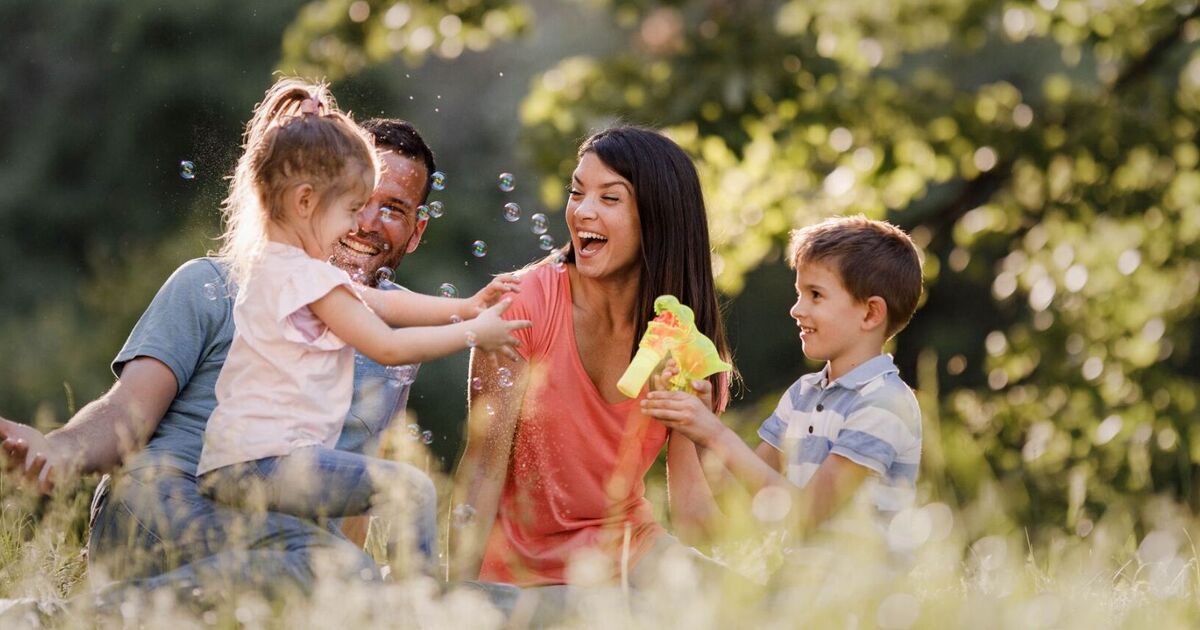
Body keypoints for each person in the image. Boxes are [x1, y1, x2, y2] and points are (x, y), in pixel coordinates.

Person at [0, 82, 457, 600]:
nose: (365, 224)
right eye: (358, 202)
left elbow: (349, 492)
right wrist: (57, 448)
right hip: (167, 501)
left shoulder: (394, 340)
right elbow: (124, 412)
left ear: (416, 232)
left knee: (348, 575)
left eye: (392, 210)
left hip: (282, 548)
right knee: (343, 573)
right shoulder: (215, 284)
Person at [190, 80, 528, 579]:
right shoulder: (307, 279)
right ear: (307, 203)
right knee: (409, 491)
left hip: (241, 462)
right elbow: (386, 344)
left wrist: (469, 306)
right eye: (352, 208)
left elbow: (382, 304)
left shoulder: (279, 265)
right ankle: (419, 610)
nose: (360, 225)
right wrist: (477, 332)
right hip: (261, 463)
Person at [450, 126, 733, 592]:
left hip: (631, 551)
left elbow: (692, 513)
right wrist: (454, 601)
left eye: (609, 198)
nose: (582, 211)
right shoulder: (522, 307)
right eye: (577, 192)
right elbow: (482, 468)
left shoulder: (682, 342)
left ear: (657, 218)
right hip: (521, 574)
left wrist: (783, 545)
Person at [641, 215, 924, 542]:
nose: (796, 309)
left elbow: (805, 514)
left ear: (871, 313)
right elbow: (742, 502)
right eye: (799, 293)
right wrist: (698, 428)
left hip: (862, 592)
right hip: (797, 589)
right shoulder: (801, 395)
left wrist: (715, 433)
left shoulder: (885, 404)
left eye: (815, 294)